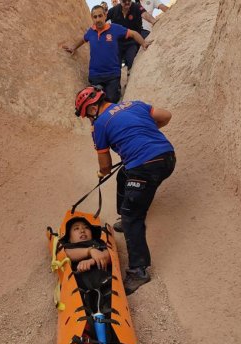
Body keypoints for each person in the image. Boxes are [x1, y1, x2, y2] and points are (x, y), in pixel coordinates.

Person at [74, 86, 176, 295]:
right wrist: (143, 134)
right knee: (124, 174)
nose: (89, 120)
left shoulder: (100, 124)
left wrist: (102, 174)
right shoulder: (134, 105)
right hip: (167, 158)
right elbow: (166, 116)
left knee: (133, 217)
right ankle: (125, 212)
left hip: (145, 167)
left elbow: (105, 165)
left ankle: (139, 271)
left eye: (87, 115)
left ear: (93, 109)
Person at [62, 5, 149, 103]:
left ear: (105, 16)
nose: (98, 19)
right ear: (92, 18)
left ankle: (117, 90)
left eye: (100, 16)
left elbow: (133, 33)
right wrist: (73, 47)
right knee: (96, 102)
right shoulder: (91, 32)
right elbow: (83, 39)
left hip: (112, 75)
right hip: (95, 76)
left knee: (112, 99)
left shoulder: (115, 29)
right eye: (95, 17)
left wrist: (144, 43)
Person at [106, 0, 156, 78]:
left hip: (132, 42)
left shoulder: (136, 7)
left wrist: (154, 21)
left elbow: (145, 14)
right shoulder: (113, 10)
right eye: (124, 1)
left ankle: (130, 82)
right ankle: (116, 86)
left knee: (132, 62)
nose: (127, 2)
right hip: (117, 43)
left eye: (128, 0)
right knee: (115, 65)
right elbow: (102, 20)